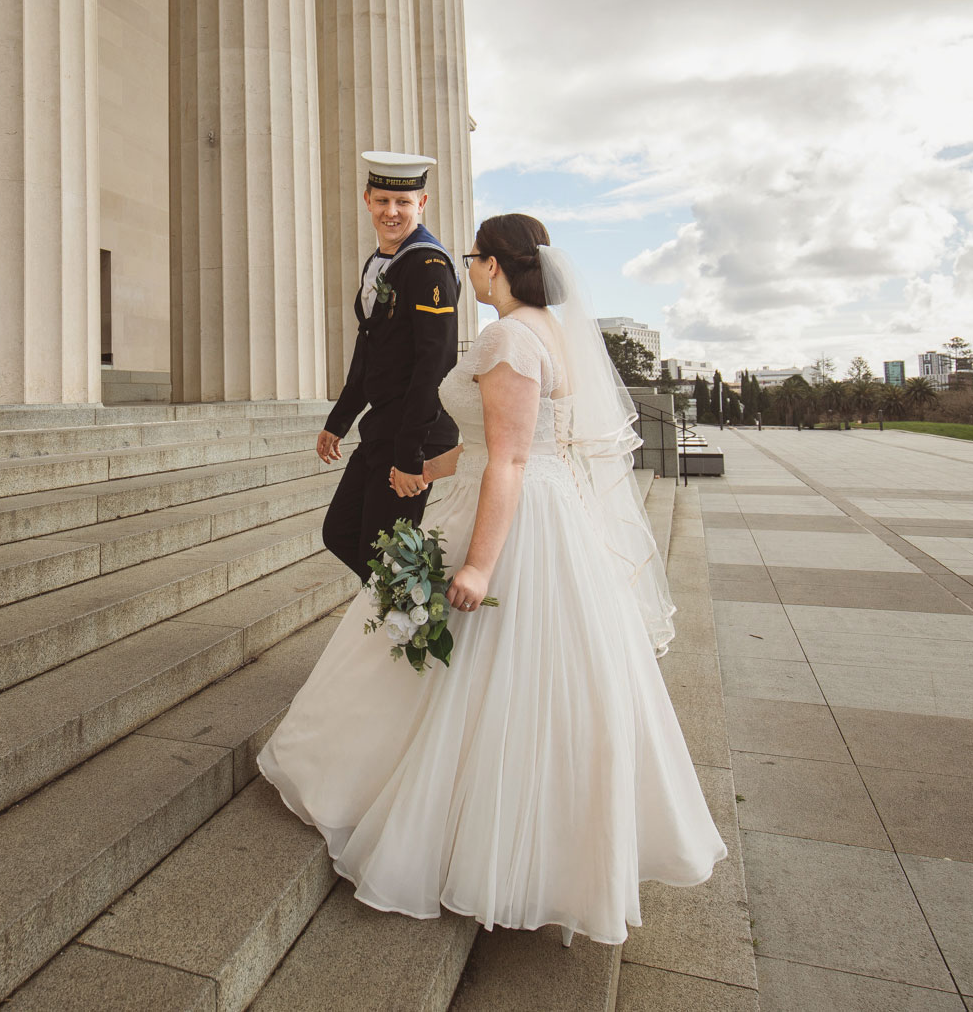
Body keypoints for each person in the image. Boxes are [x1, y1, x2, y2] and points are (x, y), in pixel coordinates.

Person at [260, 213, 725, 945]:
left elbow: (510, 457)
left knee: (464, 657)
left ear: (500, 265)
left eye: (476, 258)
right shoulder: (550, 331)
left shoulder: (510, 336)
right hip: (541, 503)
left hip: (513, 515)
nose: (469, 268)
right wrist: (426, 469)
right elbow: (504, 446)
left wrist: (478, 562)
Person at [316, 151, 462, 582]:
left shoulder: (429, 265)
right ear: (367, 201)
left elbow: (433, 365)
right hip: (383, 426)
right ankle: (405, 615)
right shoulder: (379, 261)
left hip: (412, 432)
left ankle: (418, 621)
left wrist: (410, 456)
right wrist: (339, 420)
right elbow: (370, 349)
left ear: (423, 203)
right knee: (341, 533)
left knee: (385, 556)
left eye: (403, 203)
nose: (391, 212)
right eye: (382, 201)